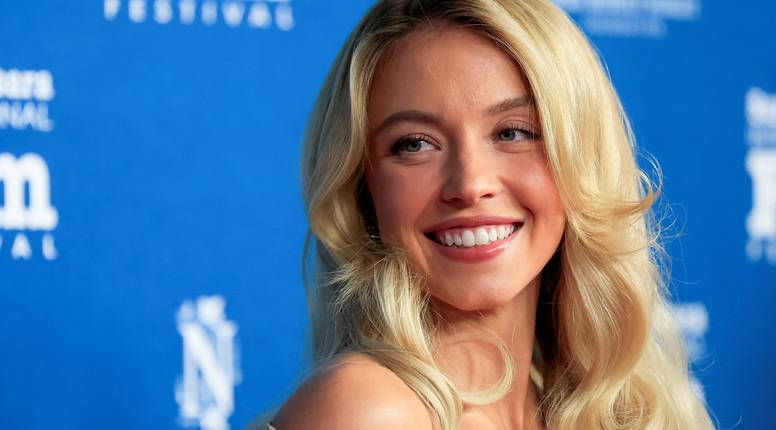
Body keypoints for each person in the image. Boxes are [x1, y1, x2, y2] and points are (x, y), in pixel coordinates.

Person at [251, 0, 714, 429]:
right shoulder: (368, 410)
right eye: (415, 143)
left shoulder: (602, 408)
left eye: (513, 133)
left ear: (581, 158)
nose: (470, 184)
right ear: (362, 187)